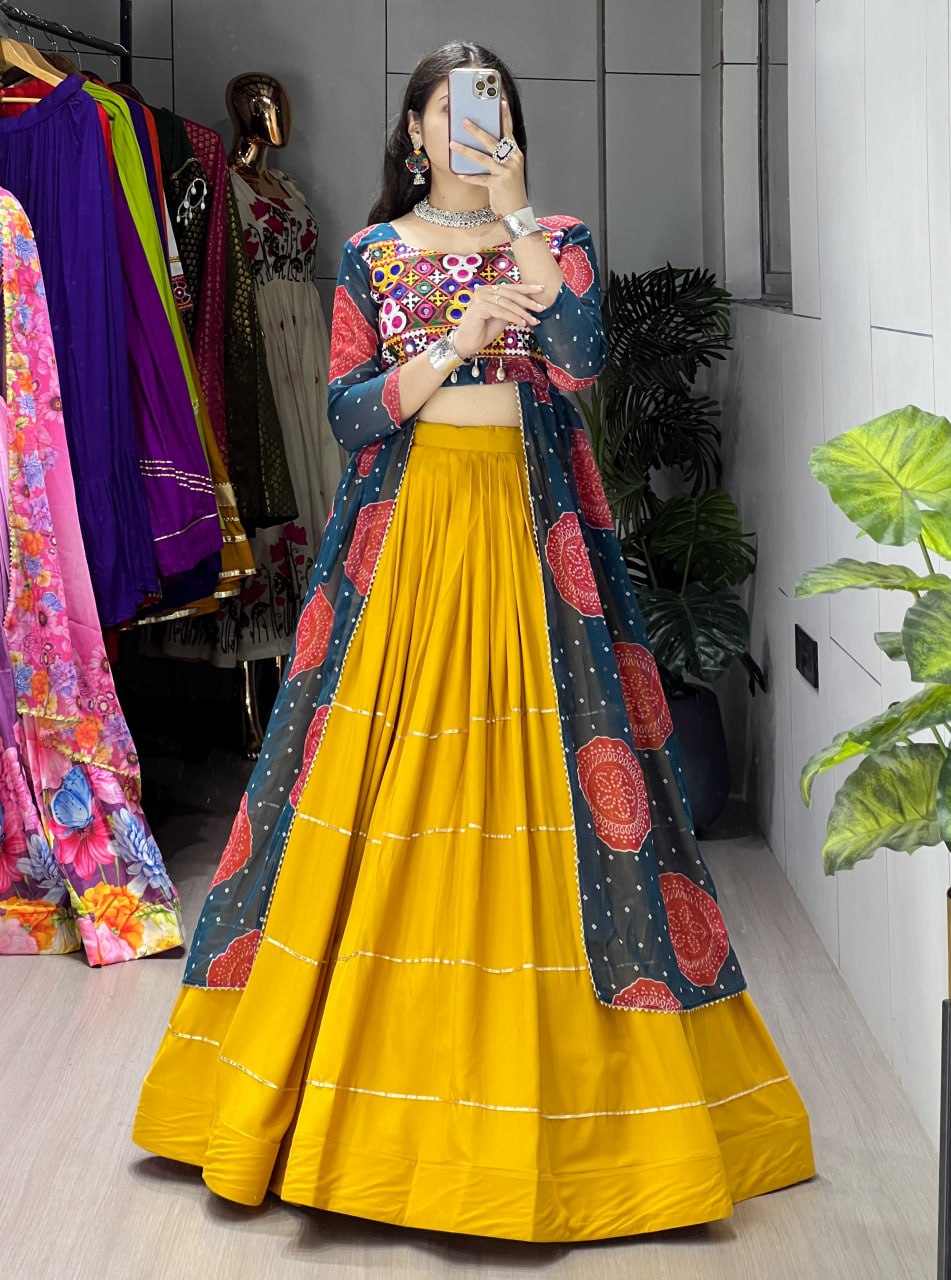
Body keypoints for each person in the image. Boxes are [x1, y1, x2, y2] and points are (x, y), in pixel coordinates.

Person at [132, 41, 815, 1242]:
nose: (468, 126)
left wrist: (521, 224)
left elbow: (585, 359)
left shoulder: (557, 240)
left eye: (488, 105)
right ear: (413, 132)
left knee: (557, 787)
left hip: (533, 539)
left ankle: (595, 1119)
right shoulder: (372, 254)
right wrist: (453, 340)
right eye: (448, 110)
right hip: (408, 543)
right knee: (375, 788)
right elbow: (351, 414)